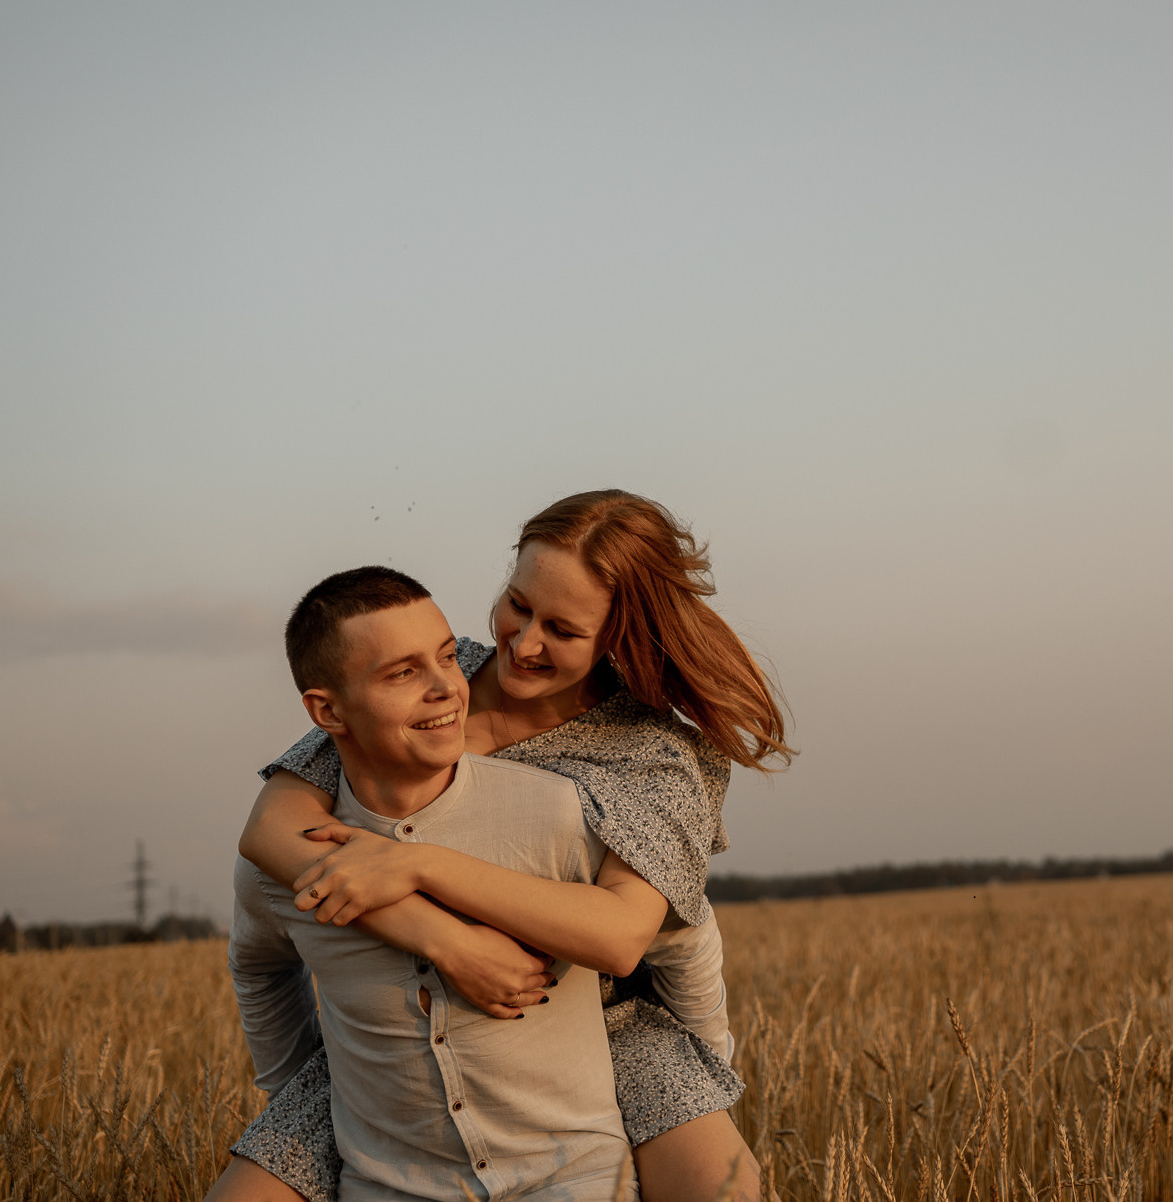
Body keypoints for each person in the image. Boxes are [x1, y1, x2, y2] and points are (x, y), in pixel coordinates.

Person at [211, 491, 789, 1202]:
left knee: (722, 1188)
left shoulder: (652, 755)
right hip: (392, 1032)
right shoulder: (440, 680)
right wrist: (438, 934)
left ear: (620, 635)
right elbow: (272, 830)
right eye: (518, 604)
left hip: (600, 1020)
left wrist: (417, 863)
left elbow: (626, 934)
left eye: (563, 629)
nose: (524, 642)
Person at [225, 566, 635, 1201]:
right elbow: (257, 967)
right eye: (403, 673)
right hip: (386, 1186)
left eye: (448, 657)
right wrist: (297, 1097)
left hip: (572, 1178)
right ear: (326, 711)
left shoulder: (555, 814)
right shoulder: (288, 860)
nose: (448, 687)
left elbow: (675, 944)